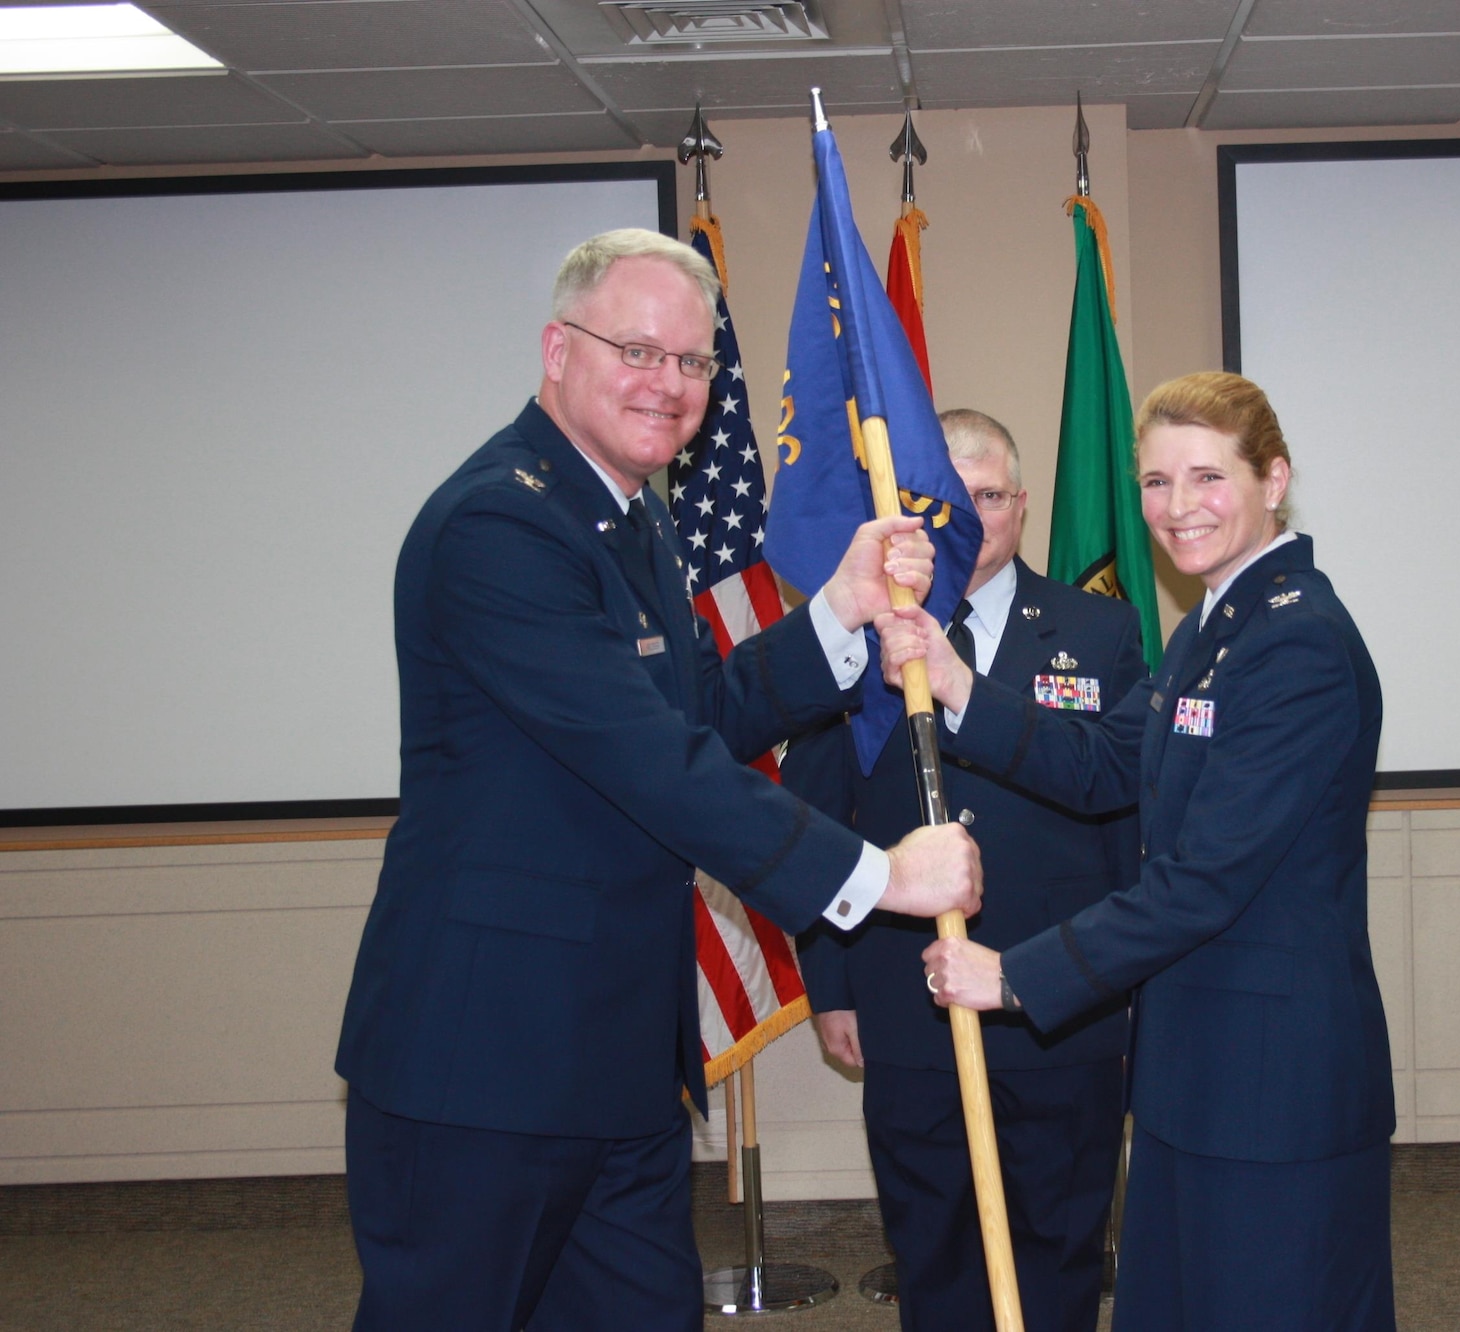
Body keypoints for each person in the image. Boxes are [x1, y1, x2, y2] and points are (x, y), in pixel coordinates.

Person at [334, 228, 982, 1332]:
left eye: (691, 364)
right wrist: (875, 877)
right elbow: (650, 761)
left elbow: (696, 714)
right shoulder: (502, 522)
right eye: (637, 351)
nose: (668, 385)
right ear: (556, 349)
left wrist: (837, 612)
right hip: (485, 1066)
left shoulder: (629, 519)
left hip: (617, 1063)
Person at [885, 372, 1397, 1331]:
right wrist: (959, 687)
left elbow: (1206, 878)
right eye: (1157, 483)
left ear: (1273, 478)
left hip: (1273, 1087)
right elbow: (1106, 760)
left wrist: (1018, 977)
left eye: (1207, 478)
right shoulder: (1213, 627)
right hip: (1196, 1076)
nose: (1176, 508)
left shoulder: (1299, 644)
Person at [785, 409, 1144, 1332]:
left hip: (1058, 1004)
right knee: (933, 1250)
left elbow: (1121, 819)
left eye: (989, 496)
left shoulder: (1099, 631)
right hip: (906, 1002)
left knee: (1061, 1248)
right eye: (948, 501)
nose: (971, 520)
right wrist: (830, 983)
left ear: (1021, 505)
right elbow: (812, 822)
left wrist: (1123, 988)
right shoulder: (863, 634)